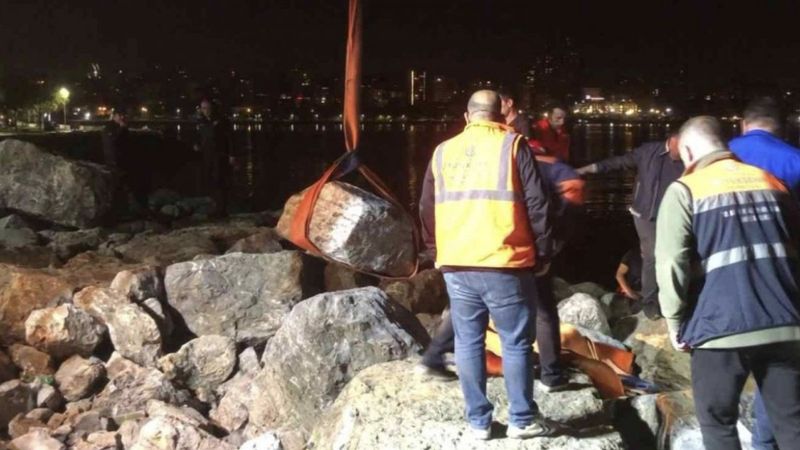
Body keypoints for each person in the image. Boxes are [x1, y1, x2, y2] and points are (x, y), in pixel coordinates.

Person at [655, 116, 800, 450]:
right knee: (791, 424)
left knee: (718, 424)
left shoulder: (685, 191)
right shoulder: (773, 182)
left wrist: (675, 322)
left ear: (688, 150)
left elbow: (670, 264)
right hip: (785, 322)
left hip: (718, 329)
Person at [419, 90, 555, 440]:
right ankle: (522, 420)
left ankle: (478, 422)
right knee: (515, 343)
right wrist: (542, 254)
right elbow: (538, 205)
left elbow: (426, 207)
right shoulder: (513, 145)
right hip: (504, 259)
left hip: (457, 262)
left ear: (467, 117)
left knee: (467, 341)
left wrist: (437, 248)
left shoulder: (442, 152)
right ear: (500, 116)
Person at [728, 96, 800, 450]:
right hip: (784, 281)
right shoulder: (796, 160)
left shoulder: (718, 157)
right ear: (781, 127)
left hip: (724, 283)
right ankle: (763, 441)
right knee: (781, 370)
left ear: (743, 123)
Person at [576, 135, 684, 319]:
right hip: (645, 215)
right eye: (681, 148)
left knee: (675, 256)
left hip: (674, 215)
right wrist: (586, 169)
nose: (683, 154)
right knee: (651, 255)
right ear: (672, 140)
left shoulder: (690, 157)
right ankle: (650, 304)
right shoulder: (648, 151)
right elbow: (619, 162)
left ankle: (675, 298)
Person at [101, 107, 150, 213]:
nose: (122, 117)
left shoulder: (118, 128)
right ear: (114, 116)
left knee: (126, 185)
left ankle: (132, 207)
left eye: (123, 115)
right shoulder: (110, 128)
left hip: (122, 161)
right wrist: (122, 129)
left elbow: (127, 143)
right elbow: (114, 143)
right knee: (122, 185)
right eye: (119, 115)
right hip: (115, 162)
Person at [196, 98, 234, 216]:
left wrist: (232, 155)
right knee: (209, 180)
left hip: (220, 155)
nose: (206, 111)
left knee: (220, 180)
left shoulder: (222, 121)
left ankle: (222, 209)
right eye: (204, 108)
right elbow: (200, 137)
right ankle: (214, 207)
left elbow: (230, 139)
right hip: (207, 156)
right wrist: (197, 146)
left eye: (208, 108)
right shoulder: (201, 122)